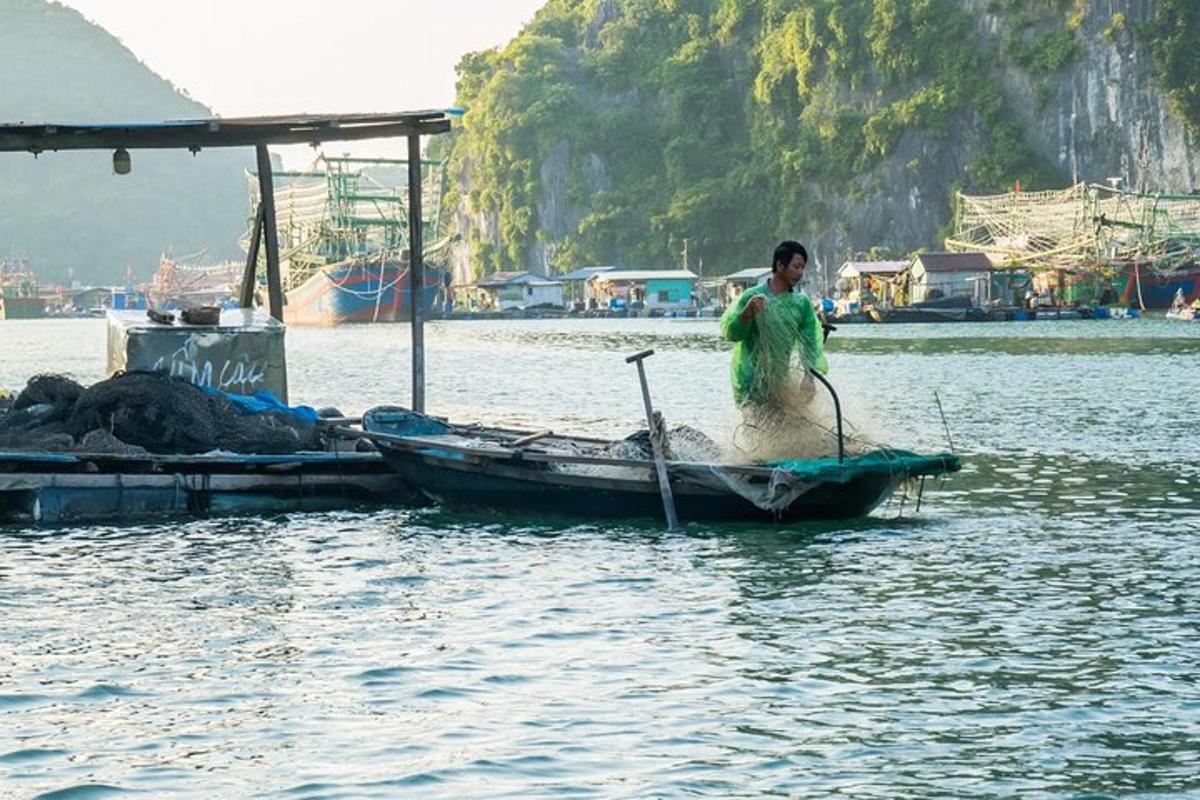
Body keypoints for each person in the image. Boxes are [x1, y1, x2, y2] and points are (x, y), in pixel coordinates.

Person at [720, 240, 828, 407]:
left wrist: (808, 376)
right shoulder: (752, 296)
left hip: (778, 381)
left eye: (803, 268)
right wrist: (746, 315)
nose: (800, 273)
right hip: (749, 380)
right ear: (780, 265)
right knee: (756, 428)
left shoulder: (801, 304)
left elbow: (809, 343)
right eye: (796, 267)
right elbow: (732, 334)